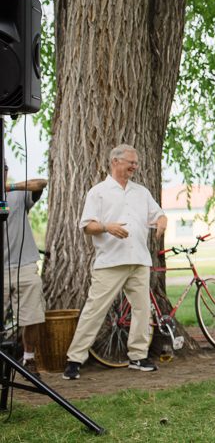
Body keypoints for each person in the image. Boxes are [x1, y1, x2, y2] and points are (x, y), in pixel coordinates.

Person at [63, 144, 167, 380]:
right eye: (131, 162)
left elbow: (157, 214)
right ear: (115, 161)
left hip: (139, 260)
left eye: (136, 163)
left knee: (142, 310)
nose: (135, 166)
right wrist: (107, 227)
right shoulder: (98, 192)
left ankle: (138, 356)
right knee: (94, 310)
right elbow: (87, 226)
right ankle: (75, 359)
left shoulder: (141, 192)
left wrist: (162, 220)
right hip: (110, 262)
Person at [1, 163, 47, 377]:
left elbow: (41, 183)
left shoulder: (17, 194)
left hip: (24, 266)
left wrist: (7, 188)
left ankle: (29, 358)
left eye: (4, 169)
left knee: (32, 315)